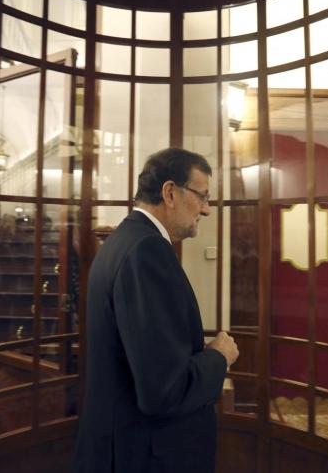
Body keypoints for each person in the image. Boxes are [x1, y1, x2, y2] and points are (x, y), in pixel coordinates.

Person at [73, 147, 239, 473]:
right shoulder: (146, 251)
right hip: (144, 455)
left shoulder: (124, 240)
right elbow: (163, 392)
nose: (206, 210)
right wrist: (219, 357)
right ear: (170, 193)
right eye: (202, 196)